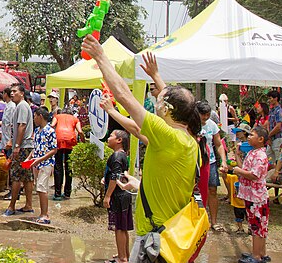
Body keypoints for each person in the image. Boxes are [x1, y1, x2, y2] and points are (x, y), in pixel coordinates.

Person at [81, 37, 201, 262]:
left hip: (155, 240)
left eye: (159, 99)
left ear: (167, 109)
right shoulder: (190, 142)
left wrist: (100, 56)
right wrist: (140, 185)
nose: (155, 101)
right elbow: (179, 107)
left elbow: (124, 96)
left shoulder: (167, 136)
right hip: (172, 234)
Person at [224, 126, 270, 263]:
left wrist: (237, 171)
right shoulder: (252, 152)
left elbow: (254, 175)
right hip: (251, 196)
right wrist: (238, 156)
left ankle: (256, 256)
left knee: (257, 226)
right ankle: (261, 253)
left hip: (256, 197)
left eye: (251, 135)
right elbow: (243, 168)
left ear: (260, 139)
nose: (248, 137)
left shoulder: (260, 156)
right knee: (258, 225)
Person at [4, 84, 35, 216]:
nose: (12, 94)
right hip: (26, 146)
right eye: (11, 92)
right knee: (27, 177)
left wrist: (17, 146)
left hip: (23, 147)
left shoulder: (22, 106)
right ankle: (28, 205)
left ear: (22, 93)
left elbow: (22, 126)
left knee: (16, 176)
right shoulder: (21, 106)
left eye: (14, 91)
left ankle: (11, 206)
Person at [104, 130, 134, 263]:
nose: (108, 138)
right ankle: (125, 254)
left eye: (111, 136)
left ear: (119, 140)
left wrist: (107, 196)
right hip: (124, 195)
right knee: (123, 227)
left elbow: (115, 177)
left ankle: (122, 258)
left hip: (118, 196)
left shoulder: (116, 155)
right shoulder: (123, 155)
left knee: (119, 228)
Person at [198, 101, 227, 232]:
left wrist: (224, 161)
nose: (205, 118)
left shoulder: (212, 125)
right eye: (202, 115)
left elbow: (219, 144)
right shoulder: (191, 124)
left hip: (210, 162)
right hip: (196, 162)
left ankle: (214, 221)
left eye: (207, 115)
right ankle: (198, 220)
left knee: (212, 190)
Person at [30, 107, 57, 224]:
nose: (34, 119)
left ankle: (45, 215)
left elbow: (54, 150)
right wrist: (29, 158)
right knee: (39, 187)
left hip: (46, 163)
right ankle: (42, 213)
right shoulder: (37, 131)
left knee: (42, 188)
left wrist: (40, 159)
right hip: (36, 163)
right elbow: (35, 147)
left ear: (40, 116)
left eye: (35, 116)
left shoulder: (50, 131)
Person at [51, 105, 83, 200]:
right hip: (71, 140)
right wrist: (83, 141)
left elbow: (52, 126)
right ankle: (67, 193)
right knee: (69, 166)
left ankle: (57, 193)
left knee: (58, 166)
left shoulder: (57, 116)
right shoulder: (75, 119)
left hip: (59, 140)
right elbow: (80, 131)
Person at [266, 90, 282, 163]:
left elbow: (278, 127)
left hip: (278, 138)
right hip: (271, 139)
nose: (269, 100)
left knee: (279, 160)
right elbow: (268, 123)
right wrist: (269, 135)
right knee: (268, 159)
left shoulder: (279, 111)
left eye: (270, 98)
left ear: (276, 98)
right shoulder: (271, 110)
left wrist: (269, 135)